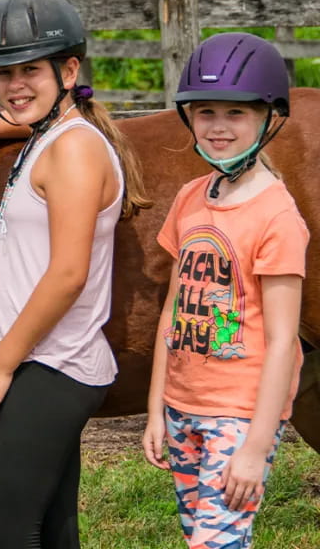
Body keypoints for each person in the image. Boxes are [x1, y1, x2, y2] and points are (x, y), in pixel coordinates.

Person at [0, 0, 150, 548]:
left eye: (30, 69)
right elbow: (23, 120)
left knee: (5, 535)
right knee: (51, 532)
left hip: (50, 363)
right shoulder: (50, 137)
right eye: (3, 73)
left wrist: (0, 366)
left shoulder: (74, 149)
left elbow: (68, 273)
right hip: (41, 361)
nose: (14, 84)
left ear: (69, 68)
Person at [142, 33, 307, 549]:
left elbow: (283, 341)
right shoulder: (192, 197)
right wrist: (155, 409)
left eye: (236, 113)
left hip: (240, 414)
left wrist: (256, 447)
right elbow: (173, 310)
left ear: (267, 118)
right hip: (181, 405)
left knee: (214, 544)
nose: (217, 126)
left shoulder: (277, 216)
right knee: (204, 536)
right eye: (205, 110)